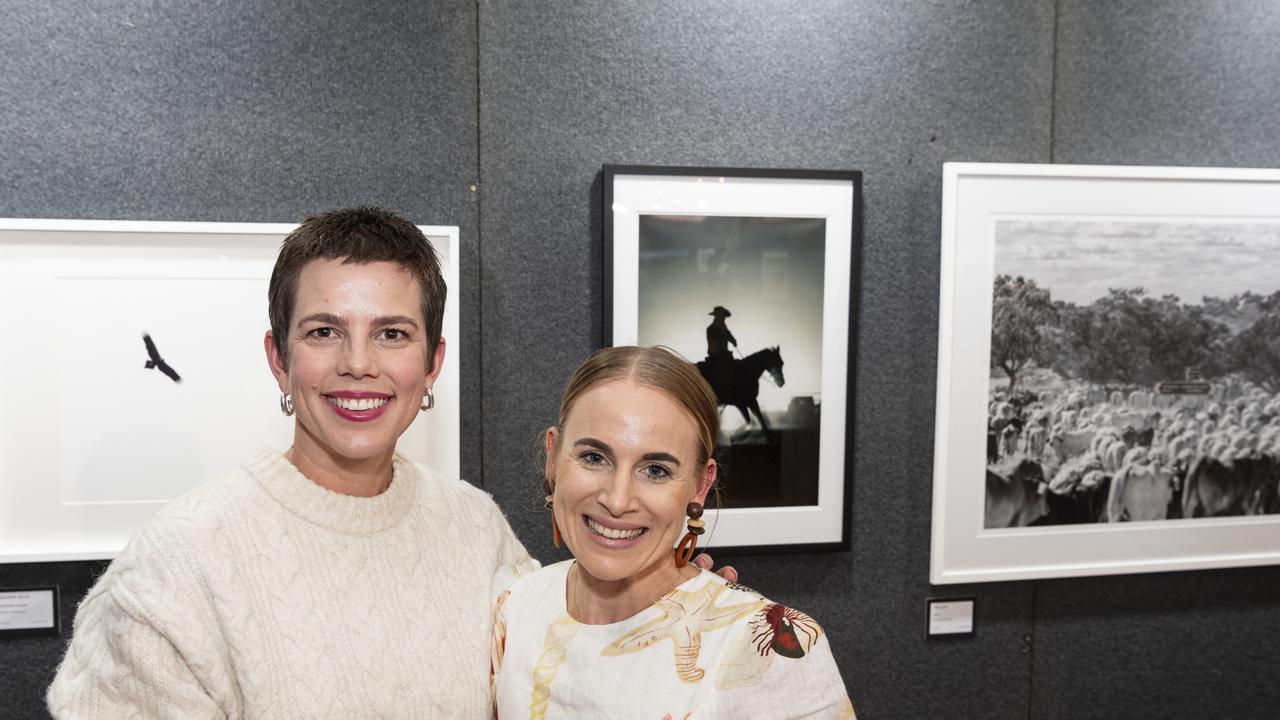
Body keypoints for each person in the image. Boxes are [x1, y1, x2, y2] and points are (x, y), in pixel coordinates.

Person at [47, 207, 537, 718]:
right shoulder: (177, 561)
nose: (358, 364)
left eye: (391, 334)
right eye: (324, 332)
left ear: (432, 364)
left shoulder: (477, 528)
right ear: (279, 360)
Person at [491, 346, 854, 719]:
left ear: (699, 485)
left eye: (656, 470)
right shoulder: (514, 610)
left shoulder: (770, 649)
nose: (617, 500)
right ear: (553, 458)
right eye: (594, 458)